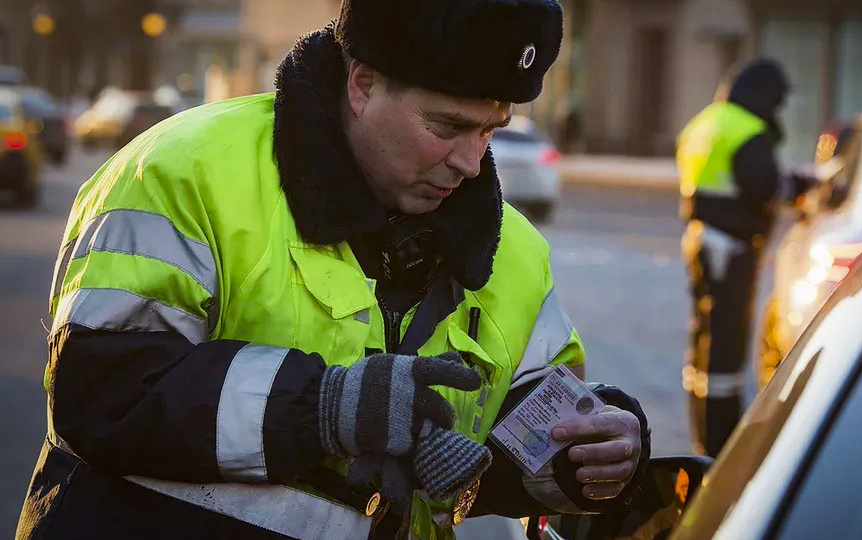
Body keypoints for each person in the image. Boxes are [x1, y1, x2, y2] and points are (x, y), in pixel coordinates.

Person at [15, 1, 652, 539]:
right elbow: (102, 390)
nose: (470, 160)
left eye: (492, 129)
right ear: (363, 82)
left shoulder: (517, 255)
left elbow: (526, 428)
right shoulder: (181, 172)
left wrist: (587, 456)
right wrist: (323, 408)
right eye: (448, 125)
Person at [676, 59, 806, 458]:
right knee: (727, 349)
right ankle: (722, 440)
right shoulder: (748, 131)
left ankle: (702, 428)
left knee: (704, 339)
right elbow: (765, 188)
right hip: (730, 250)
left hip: (699, 241)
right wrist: (803, 184)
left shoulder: (706, 121)